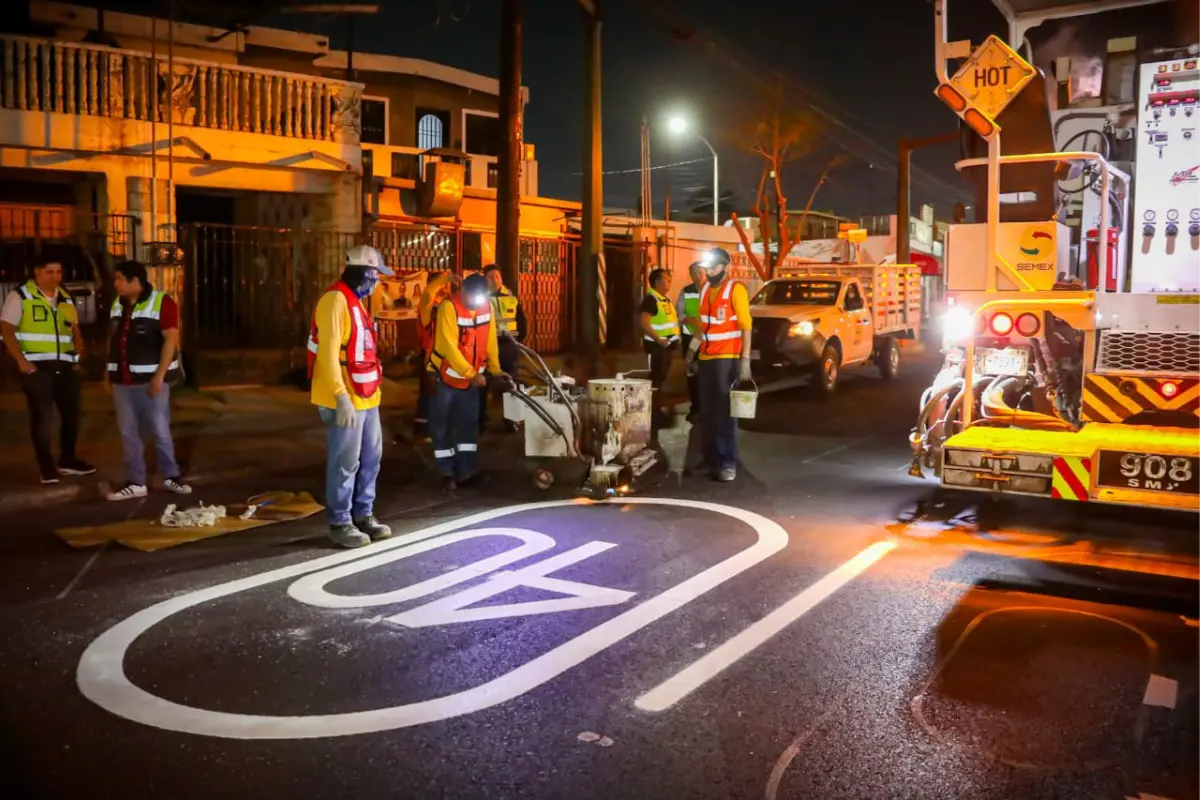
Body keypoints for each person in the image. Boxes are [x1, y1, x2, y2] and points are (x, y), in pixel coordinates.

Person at [307, 245, 395, 548]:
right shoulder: (335, 301)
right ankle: (340, 521)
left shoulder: (356, 303)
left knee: (371, 458)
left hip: (366, 395)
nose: (377, 281)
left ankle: (363, 514)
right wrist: (340, 395)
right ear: (363, 272)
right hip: (343, 395)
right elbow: (328, 355)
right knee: (346, 462)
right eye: (375, 274)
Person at [104, 260, 192, 501]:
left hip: (151, 381)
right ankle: (136, 482)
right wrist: (107, 374)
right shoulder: (117, 305)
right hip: (123, 381)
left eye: (120, 279)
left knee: (160, 430)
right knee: (128, 432)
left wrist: (159, 377)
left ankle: (171, 476)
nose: (116, 283)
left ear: (135, 281)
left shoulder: (162, 303)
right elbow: (112, 342)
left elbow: (170, 341)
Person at [0, 261, 95, 484]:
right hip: (36, 367)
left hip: (66, 366)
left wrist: (78, 354)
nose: (55, 277)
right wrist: (21, 361)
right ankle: (46, 467)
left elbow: (74, 329)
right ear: (37, 272)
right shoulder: (20, 296)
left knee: (72, 416)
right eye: (49, 272)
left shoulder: (65, 297)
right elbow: (6, 330)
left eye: (59, 272)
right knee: (43, 418)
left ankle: (68, 460)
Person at [428, 273, 507, 491]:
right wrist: (471, 374)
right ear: (462, 291)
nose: (475, 302)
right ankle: (446, 472)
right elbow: (447, 347)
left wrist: (496, 369)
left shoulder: (486, 307)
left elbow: (490, 340)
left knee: (468, 426)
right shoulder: (448, 307)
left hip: (471, 382)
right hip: (445, 378)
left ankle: (467, 471)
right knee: (442, 425)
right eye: (471, 297)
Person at [688, 247, 753, 482]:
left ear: (725, 267)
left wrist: (745, 360)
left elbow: (746, 326)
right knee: (707, 412)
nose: (710, 271)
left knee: (726, 413)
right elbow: (703, 325)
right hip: (706, 359)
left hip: (727, 360)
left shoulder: (736, 290)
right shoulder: (705, 289)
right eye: (708, 268)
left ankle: (727, 462)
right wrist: (691, 350)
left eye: (714, 267)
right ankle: (711, 459)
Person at [411, 270, 459, 442]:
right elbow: (427, 295)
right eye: (443, 284)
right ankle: (422, 431)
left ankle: (437, 430)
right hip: (431, 356)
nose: (446, 286)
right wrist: (442, 279)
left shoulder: (448, 304)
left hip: (448, 356)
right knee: (429, 394)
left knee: (442, 395)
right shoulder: (429, 307)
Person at [480, 264, 526, 433]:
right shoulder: (482, 299)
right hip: (487, 347)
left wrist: (516, 339)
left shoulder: (510, 296)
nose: (495, 280)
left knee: (512, 383)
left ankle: (511, 419)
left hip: (508, 347)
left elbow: (521, 320)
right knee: (483, 382)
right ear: (485, 281)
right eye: (490, 277)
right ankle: (480, 418)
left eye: (497, 276)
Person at [639, 267, 680, 426]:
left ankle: (656, 411)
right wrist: (659, 340)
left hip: (666, 348)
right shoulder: (651, 299)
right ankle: (653, 413)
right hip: (657, 349)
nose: (669, 282)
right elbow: (643, 322)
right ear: (657, 282)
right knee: (656, 381)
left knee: (660, 380)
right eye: (666, 279)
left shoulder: (664, 300)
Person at [675, 261, 704, 421]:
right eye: (695, 273)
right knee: (692, 374)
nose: (698, 276)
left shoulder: (713, 291)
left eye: (701, 272)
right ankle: (695, 408)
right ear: (691, 275)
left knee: (708, 375)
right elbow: (680, 314)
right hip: (691, 340)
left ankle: (707, 408)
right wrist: (692, 322)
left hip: (708, 340)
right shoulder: (685, 292)